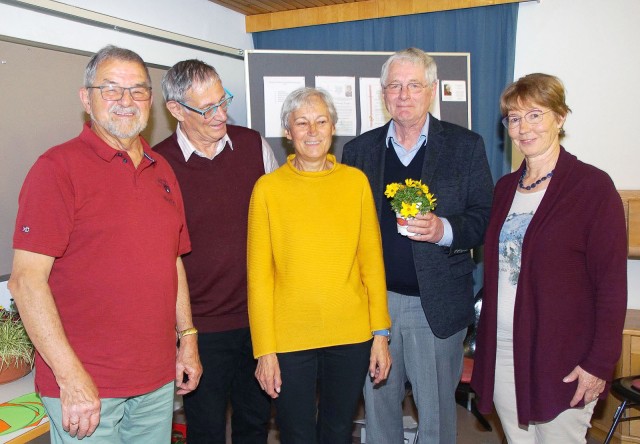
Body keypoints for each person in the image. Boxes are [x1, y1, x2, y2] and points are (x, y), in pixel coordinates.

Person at [8, 45, 202, 443]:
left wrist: (189, 339)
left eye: (138, 91)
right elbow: (26, 283)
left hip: (156, 381)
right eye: (111, 89)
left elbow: (173, 262)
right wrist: (71, 376)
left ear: (152, 100)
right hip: (86, 387)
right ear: (86, 98)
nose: (126, 102)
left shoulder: (161, 169)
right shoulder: (57, 169)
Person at [342, 47, 494, 443]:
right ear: (383, 93)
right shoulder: (357, 152)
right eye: (394, 86)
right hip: (375, 306)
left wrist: (444, 228)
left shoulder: (465, 146)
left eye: (413, 85)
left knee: (437, 417)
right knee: (378, 408)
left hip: (438, 306)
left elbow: (484, 216)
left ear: (432, 90)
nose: (403, 95)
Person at [471, 73, 627, 443]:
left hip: (563, 355)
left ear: (560, 117)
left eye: (535, 115)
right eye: (514, 118)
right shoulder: (505, 188)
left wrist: (599, 363)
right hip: (505, 350)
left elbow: (611, 286)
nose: (523, 127)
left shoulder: (592, 187)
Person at [248, 87, 391, 444]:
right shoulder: (267, 189)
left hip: (351, 334)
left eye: (321, 121)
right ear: (287, 132)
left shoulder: (355, 183)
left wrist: (380, 334)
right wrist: (264, 350)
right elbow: (259, 279)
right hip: (290, 337)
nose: (312, 131)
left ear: (333, 127)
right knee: (295, 433)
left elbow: (372, 263)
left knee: (338, 431)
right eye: (302, 122)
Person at [154, 59, 276, 444]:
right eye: (207, 108)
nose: (221, 114)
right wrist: (183, 334)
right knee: (205, 430)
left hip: (258, 320)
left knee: (255, 425)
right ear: (175, 110)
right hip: (198, 328)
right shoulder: (157, 164)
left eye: (223, 101)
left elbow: (280, 225)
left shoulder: (254, 146)